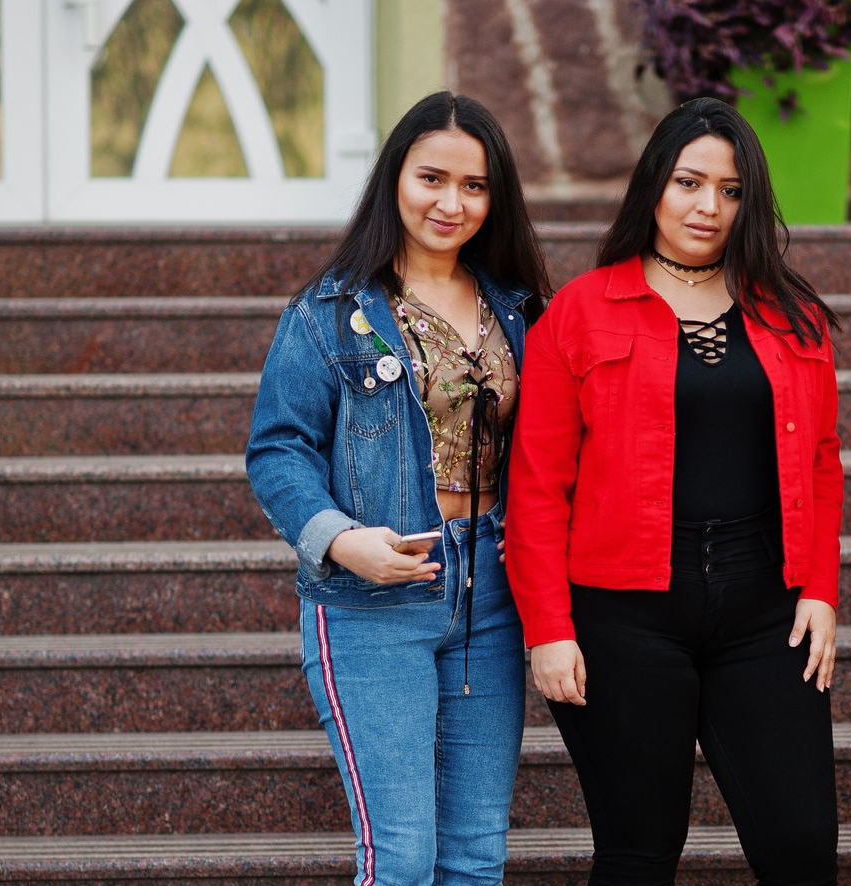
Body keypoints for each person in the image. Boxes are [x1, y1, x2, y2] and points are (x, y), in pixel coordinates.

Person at [505, 97, 842, 886]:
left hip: (766, 610)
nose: (708, 206)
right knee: (639, 846)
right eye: (690, 182)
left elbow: (822, 464)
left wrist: (821, 592)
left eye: (729, 191)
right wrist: (547, 629)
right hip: (621, 615)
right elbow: (537, 486)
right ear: (654, 184)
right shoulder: (580, 313)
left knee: (800, 846)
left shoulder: (793, 316)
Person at [246, 91, 549, 886]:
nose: (452, 203)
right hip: (374, 598)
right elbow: (277, 450)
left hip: (491, 591)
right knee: (403, 861)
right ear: (394, 179)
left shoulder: (520, 309)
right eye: (432, 178)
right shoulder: (329, 313)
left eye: (475, 186)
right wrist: (343, 542)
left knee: (476, 856)